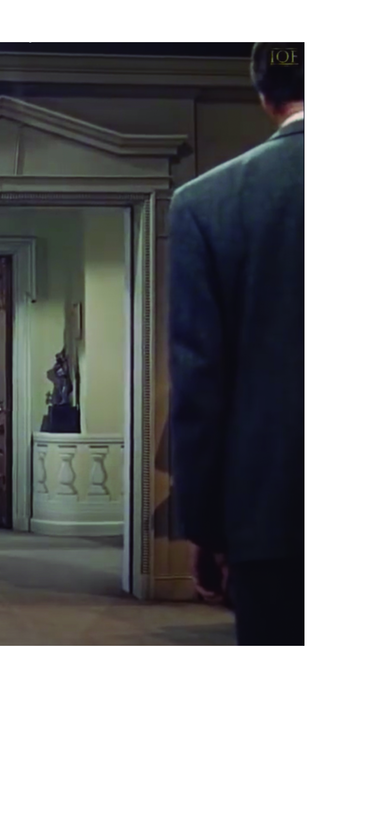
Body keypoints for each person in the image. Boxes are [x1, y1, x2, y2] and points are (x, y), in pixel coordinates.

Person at [169, 42, 304, 645]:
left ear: (266, 97)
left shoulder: (207, 204)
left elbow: (200, 382)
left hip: (272, 517)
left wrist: (205, 526)